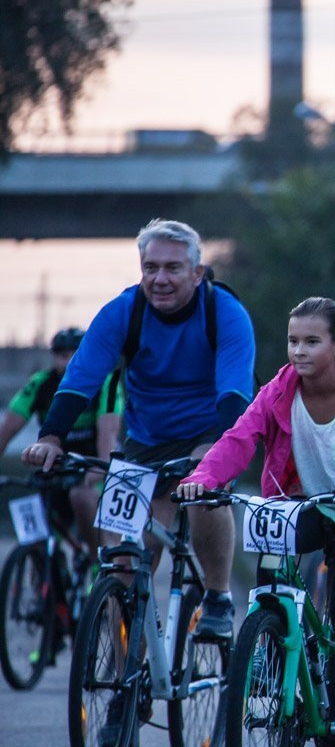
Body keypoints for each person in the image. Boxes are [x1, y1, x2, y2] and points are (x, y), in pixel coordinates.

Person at [178, 297, 335, 747]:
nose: (299, 351)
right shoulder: (279, 390)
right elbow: (239, 438)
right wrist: (202, 478)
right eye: (293, 341)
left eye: (312, 342)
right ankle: (275, 646)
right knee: (270, 560)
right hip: (308, 505)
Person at [22, 219, 255, 641]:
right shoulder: (123, 312)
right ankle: (129, 672)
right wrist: (51, 437)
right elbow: (80, 378)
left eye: (173, 268)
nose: (159, 278)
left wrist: (218, 449)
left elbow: (235, 390)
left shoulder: (225, 312)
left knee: (206, 495)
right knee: (121, 564)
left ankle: (218, 596)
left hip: (210, 432)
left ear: (197, 273)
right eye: (151, 268)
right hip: (146, 441)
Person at [0, 327, 123, 556]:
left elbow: (108, 434)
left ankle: (96, 562)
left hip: (93, 464)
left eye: (75, 355)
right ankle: (41, 566)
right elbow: (6, 430)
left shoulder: (106, 382)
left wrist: (100, 468)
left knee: (82, 497)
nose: (68, 363)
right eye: (62, 356)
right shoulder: (40, 383)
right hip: (55, 466)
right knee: (37, 539)